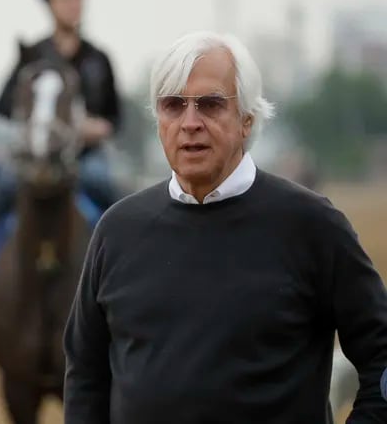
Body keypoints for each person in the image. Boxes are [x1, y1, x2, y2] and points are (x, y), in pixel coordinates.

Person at [63, 30, 387, 423]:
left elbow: (380, 356)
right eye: (173, 105)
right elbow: (85, 375)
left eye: (210, 104)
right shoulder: (116, 231)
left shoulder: (313, 226)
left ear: (247, 120)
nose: (190, 122)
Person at [0, 0, 123, 231]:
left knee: (107, 188)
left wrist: (99, 127)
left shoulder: (99, 59)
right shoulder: (32, 56)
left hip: (84, 158)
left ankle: (119, 250)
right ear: (49, 2)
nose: (74, 3)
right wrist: (34, 119)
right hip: (36, 157)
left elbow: (116, 117)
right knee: (3, 188)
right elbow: (2, 106)